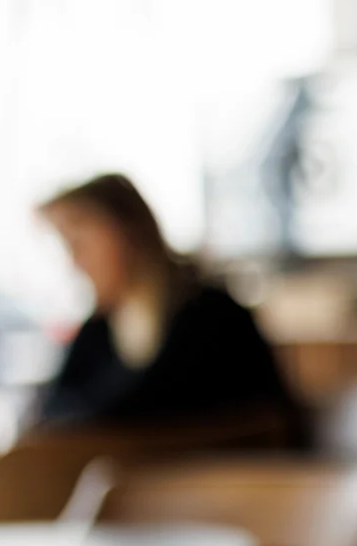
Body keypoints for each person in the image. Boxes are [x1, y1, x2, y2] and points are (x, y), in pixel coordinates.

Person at [36, 174, 300, 432]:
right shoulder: (98, 329)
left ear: (128, 232)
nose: (74, 263)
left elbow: (141, 411)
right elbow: (50, 410)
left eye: (79, 245)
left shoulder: (209, 317)